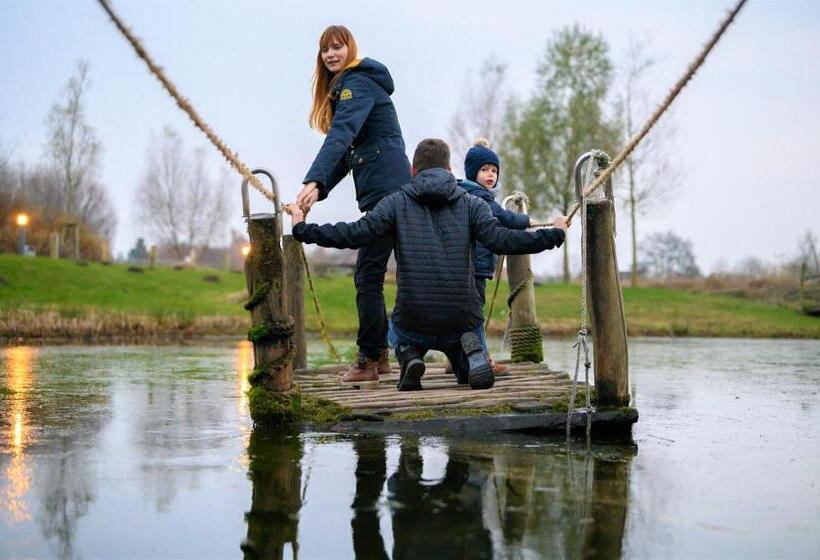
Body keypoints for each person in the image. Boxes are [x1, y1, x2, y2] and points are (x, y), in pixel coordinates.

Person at [286, 138, 568, 391]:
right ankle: (467, 358)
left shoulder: (395, 202)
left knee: (397, 328)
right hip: (461, 317)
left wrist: (302, 229)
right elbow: (504, 240)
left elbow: (353, 233)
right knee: (462, 343)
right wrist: (554, 234)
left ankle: (409, 356)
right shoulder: (472, 203)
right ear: (449, 171)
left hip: (413, 317)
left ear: (413, 171)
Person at [296, 25, 412, 385]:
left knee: (367, 276)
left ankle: (368, 360)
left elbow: (341, 133)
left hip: (387, 191)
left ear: (350, 48)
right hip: (389, 187)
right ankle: (379, 357)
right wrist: (319, 188)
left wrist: (312, 178)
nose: (331, 55)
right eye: (325, 50)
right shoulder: (356, 84)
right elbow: (350, 155)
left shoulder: (355, 84)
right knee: (372, 274)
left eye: (337, 47)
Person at [455, 138, 531, 376]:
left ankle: (457, 360)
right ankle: (483, 360)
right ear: (472, 172)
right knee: (475, 313)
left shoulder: (467, 193)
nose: (490, 175)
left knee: (464, 313)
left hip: (468, 265)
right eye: (484, 170)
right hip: (475, 265)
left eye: (494, 170)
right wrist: (527, 220)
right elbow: (505, 218)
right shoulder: (481, 198)